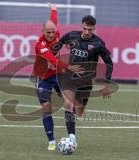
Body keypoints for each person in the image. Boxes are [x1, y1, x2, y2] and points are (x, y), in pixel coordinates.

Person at [55, 15, 114, 147]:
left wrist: (106, 84)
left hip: (86, 81)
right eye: (85, 28)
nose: (87, 32)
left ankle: (75, 114)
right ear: (81, 26)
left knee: (79, 111)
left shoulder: (98, 44)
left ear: (94, 28)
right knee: (68, 103)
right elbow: (56, 47)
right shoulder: (71, 36)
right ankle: (72, 138)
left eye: (90, 29)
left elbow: (109, 63)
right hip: (69, 77)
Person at [33, 3, 84, 151]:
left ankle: (72, 137)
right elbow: (52, 59)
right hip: (43, 77)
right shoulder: (40, 44)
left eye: (53, 32)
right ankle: (51, 141)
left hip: (58, 75)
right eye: (48, 32)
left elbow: (53, 20)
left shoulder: (55, 32)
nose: (51, 35)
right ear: (43, 31)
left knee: (69, 103)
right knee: (46, 106)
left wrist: (54, 9)